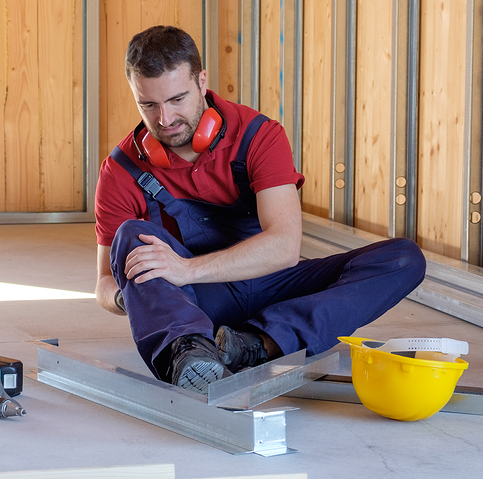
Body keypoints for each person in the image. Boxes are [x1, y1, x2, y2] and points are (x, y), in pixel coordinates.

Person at [95, 25, 426, 394]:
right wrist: (142, 291)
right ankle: (188, 353)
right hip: (198, 303)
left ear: (202, 81)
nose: (165, 119)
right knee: (131, 236)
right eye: (148, 105)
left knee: (403, 258)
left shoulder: (257, 136)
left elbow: (284, 248)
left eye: (177, 99)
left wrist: (186, 269)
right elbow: (104, 285)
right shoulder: (122, 169)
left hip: (273, 284)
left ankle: (256, 344)